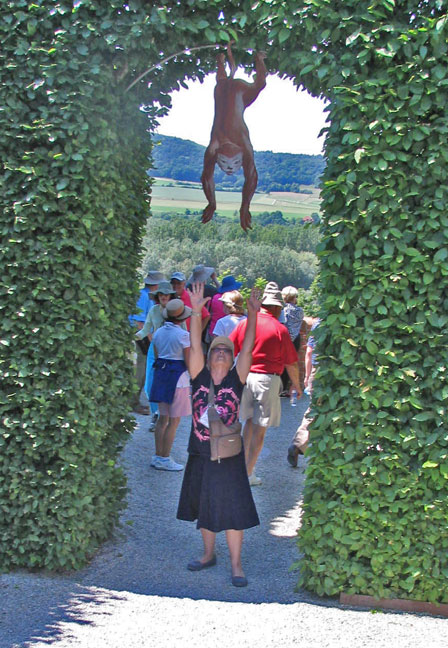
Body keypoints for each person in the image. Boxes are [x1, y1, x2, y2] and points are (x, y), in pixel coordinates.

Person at [177, 282, 261, 587]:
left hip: (228, 454)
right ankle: (208, 554)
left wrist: (252, 316)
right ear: (211, 357)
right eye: (218, 351)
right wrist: (196, 312)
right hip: (200, 451)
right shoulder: (198, 374)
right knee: (204, 503)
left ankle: (236, 565)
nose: (223, 354)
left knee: (234, 508)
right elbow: (196, 345)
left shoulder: (236, 380)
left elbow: (249, 347)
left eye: (228, 351)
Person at [229, 282, 301, 486]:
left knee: (247, 426)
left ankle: (239, 469)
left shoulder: (245, 323)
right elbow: (291, 362)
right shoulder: (280, 329)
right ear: (278, 308)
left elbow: (229, 348)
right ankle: (248, 473)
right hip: (267, 380)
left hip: (244, 377)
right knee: (259, 431)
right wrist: (296, 385)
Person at [201, 44, 267, 231]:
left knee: (224, 82)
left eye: (225, 165)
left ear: (218, 158)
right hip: (238, 92)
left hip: (230, 90)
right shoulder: (241, 146)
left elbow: (207, 177)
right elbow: (251, 177)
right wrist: (243, 207)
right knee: (255, 84)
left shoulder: (215, 145)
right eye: (233, 166)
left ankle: (225, 60)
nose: (230, 168)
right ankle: (253, 59)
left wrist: (213, 203)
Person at [149, 299, 192, 471]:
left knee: (162, 419)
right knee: (174, 421)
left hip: (161, 375)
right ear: (181, 318)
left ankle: (158, 455)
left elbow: (157, 353)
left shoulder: (158, 332)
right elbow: (188, 360)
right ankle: (165, 457)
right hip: (178, 378)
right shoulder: (183, 335)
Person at [135, 281, 178, 431]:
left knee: (168, 385)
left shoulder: (178, 310)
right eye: (161, 294)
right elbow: (145, 329)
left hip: (171, 351)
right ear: (157, 296)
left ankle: (164, 417)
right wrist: (132, 337)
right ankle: (156, 414)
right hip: (154, 350)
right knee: (149, 385)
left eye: (166, 294)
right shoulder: (153, 310)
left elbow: (184, 332)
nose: (164, 297)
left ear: (171, 296)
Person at [129, 270, 165, 415]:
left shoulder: (146, 295)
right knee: (140, 370)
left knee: (144, 370)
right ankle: (133, 402)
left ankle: (135, 401)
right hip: (141, 338)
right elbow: (138, 321)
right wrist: (150, 339)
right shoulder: (143, 296)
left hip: (144, 336)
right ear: (156, 284)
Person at [287, 319, 320, 467]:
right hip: (332, 371)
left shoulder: (318, 323)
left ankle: (299, 444)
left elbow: (309, 352)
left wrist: (307, 376)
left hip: (316, 369)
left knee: (314, 409)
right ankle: (300, 444)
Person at [280, 286, 304, 396]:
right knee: (292, 362)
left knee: (282, 363)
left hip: (285, 338)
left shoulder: (283, 311)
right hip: (296, 339)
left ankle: (281, 387)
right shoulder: (300, 311)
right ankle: (289, 387)